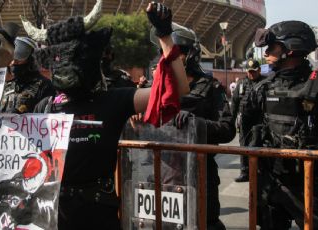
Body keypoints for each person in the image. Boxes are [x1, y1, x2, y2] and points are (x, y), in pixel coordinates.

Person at [24, 1, 190, 228]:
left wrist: (164, 35)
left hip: (99, 214)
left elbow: (177, 89)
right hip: (54, 215)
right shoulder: (44, 107)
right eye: (58, 60)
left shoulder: (113, 101)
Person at [167, 25, 235, 230]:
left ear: (190, 55)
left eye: (177, 53)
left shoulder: (211, 86)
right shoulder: (158, 88)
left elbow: (227, 129)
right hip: (166, 172)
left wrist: (195, 124)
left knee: (205, 223)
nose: (171, 58)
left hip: (201, 173)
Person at [251, 20, 318, 229]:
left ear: (291, 49)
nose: (266, 52)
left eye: (272, 47)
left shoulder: (314, 86)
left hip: (309, 183)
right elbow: (246, 129)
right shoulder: (263, 88)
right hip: (272, 181)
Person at [231, 59, 265, 182]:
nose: (251, 74)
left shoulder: (265, 83)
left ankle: (258, 171)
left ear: (259, 70)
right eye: (249, 72)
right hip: (245, 120)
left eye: (254, 71)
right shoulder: (241, 84)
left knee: (257, 145)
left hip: (259, 120)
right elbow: (234, 104)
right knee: (243, 145)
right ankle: (245, 172)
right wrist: (231, 121)